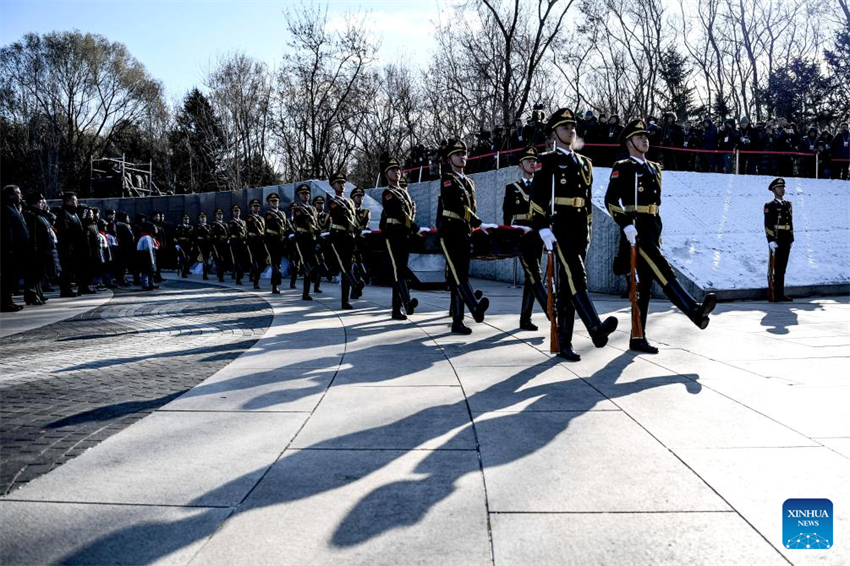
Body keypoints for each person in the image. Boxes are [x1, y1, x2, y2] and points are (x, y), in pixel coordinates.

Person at [605, 118, 717, 354]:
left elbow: (655, 204)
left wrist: (657, 230)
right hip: (635, 228)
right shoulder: (622, 167)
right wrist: (625, 224)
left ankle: (638, 337)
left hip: (651, 228)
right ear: (629, 142)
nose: (645, 140)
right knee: (663, 270)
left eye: (646, 136)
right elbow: (611, 201)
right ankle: (693, 310)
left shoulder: (654, 168)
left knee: (644, 286)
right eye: (639, 137)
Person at [529, 109, 618, 361]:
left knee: (568, 287)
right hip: (559, 226)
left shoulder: (585, 163)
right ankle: (595, 328)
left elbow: (588, 202)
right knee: (577, 274)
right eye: (565, 127)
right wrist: (543, 227)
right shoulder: (546, 161)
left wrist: (588, 229)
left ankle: (564, 343)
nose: (571, 130)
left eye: (572, 126)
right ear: (554, 133)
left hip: (579, 227)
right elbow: (536, 199)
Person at [436, 139, 498, 334]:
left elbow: (470, 206)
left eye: (464, 154)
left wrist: (473, 226)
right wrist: (478, 222)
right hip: (450, 231)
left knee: (459, 276)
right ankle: (475, 308)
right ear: (449, 159)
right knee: (459, 274)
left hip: (464, 231)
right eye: (457, 154)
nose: (461, 157)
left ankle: (457, 321)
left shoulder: (469, 182)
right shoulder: (447, 180)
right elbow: (456, 206)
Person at [503, 146, 547, 331]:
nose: (532, 163)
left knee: (531, 277)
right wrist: (507, 237)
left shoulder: (542, 185)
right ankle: (551, 312)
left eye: (534, 160)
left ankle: (525, 318)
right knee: (534, 274)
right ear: (521, 164)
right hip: (521, 235)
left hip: (538, 234)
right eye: (528, 160)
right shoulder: (512, 188)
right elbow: (507, 215)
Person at [380, 155, 424, 320]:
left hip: (404, 234)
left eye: (398, 169)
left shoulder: (404, 193)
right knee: (398, 270)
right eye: (392, 170)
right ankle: (406, 302)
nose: (396, 172)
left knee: (401, 271)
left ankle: (396, 309)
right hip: (393, 233)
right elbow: (398, 212)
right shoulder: (388, 193)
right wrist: (415, 228)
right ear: (387, 174)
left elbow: (409, 213)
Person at [327, 172, 365, 309]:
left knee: (347, 268)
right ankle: (355, 285)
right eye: (339, 183)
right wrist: (356, 229)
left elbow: (353, 218)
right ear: (333, 186)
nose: (342, 185)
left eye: (343, 183)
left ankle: (345, 301)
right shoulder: (332, 201)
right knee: (344, 266)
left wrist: (356, 232)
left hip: (349, 237)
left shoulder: (349, 201)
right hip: (337, 236)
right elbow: (342, 217)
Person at [23, 192, 60, 305]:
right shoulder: (31, 215)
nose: (42, 203)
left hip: (44, 248)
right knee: (33, 274)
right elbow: (32, 234)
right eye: (40, 202)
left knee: (40, 273)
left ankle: (38, 293)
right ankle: (32, 295)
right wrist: (35, 249)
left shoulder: (40, 214)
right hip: (36, 249)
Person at [55, 191, 91, 296]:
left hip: (75, 246)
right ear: (68, 201)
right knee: (66, 269)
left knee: (73, 269)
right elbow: (64, 231)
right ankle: (65, 290)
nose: (77, 202)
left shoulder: (73, 213)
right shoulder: (64, 213)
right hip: (67, 246)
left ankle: (76, 287)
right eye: (74, 200)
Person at [764, 178, 793, 302]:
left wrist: (791, 238)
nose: (782, 190)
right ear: (774, 190)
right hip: (776, 238)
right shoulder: (769, 205)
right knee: (774, 267)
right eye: (779, 188)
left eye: (783, 187)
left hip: (786, 238)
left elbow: (790, 222)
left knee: (782, 267)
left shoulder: (788, 204)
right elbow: (768, 223)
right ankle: (773, 293)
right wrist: (770, 240)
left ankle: (780, 293)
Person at [1, 185, 29, 311]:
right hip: (10, 250)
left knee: (13, 276)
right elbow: (7, 231)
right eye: (18, 193)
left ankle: (9, 301)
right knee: (8, 277)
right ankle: (6, 302)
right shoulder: (5, 209)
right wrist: (10, 248)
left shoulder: (14, 208)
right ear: (10, 195)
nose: (21, 195)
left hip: (19, 249)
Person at [290, 184, 320, 301]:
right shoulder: (297, 209)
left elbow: (315, 223)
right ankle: (306, 293)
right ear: (299, 196)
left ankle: (306, 291)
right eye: (303, 194)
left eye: (307, 193)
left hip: (311, 239)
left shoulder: (313, 209)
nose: (305, 195)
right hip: (301, 238)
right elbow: (305, 221)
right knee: (305, 263)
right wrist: (314, 229)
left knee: (315, 264)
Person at [264, 192, 290, 294]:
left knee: (278, 264)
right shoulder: (269, 214)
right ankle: (275, 285)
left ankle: (276, 284)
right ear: (269, 203)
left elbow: (285, 226)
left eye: (276, 201)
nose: (275, 203)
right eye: (273, 201)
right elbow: (274, 224)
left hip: (281, 241)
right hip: (272, 241)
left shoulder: (282, 214)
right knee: (275, 264)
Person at [351, 186, 371, 285]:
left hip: (361, 241)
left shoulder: (366, 212)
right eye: (357, 196)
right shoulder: (349, 212)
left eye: (361, 197)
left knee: (360, 261)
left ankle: (359, 282)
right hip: (351, 240)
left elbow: (365, 225)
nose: (360, 198)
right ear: (353, 198)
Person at [246, 199, 267, 290]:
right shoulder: (248, 217)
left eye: (257, 206)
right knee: (255, 263)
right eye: (254, 206)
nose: (256, 208)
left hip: (261, 242)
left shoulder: (262, 218)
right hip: (252, 242)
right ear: (251, 207)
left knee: (263, 263)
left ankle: (253, 274)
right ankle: (256, 282)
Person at [228, 204, 249, 285]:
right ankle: (238, 277)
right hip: (235, 242)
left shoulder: (243, 222)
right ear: (233, 212)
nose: (237, 212)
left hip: (242, 243)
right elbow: (233, 232)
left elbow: (245, 232)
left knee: (242, 261)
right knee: (236, 261)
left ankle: (239, 275)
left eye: (238, 211)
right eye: (235, 211)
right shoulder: (231, 222)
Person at [313, 195, 330, 293]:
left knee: (320, 264)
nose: (321, 205)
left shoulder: (327, 216)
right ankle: (315, 283)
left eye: (322, 203)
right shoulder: (312, 216)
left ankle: (316, 285)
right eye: (319, 204)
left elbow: (328, 228)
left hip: (323, 242)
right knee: (318, 264)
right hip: (313, 242)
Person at [211, 208, 230, 283]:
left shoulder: (225, 224)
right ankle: (220, 276)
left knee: (223, 261)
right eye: (218, 214)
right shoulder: (214, 224)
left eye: (221, 214)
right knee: (220, 261)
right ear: (215, 215)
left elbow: (228, 233)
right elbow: (213, 236)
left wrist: (228, 239)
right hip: (217, 246)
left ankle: (220, 273)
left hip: (225, 245)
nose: (220, 216)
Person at [194, 212, 213, 280]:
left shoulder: (209, 226)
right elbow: (196, 237)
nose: (203, 219)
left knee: (207, 259)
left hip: (207, 245)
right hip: (201, 245)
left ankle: (206, 272)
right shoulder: (198, 226)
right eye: (201, 218)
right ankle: (205, 274)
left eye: (204, 217)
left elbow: (211, 236)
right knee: (204, 260)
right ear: (199, 219)